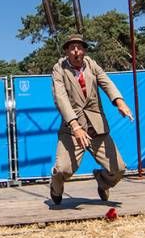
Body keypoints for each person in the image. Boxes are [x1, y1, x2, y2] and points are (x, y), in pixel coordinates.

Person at [49, 33, 134, 205]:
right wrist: (75, 126)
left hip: (97, 128)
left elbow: (107, 83)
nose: (76, 51)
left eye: (79, 47)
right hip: (72, 131)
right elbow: (61, 98)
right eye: (72, 48)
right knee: (62, 170)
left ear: (85, 51)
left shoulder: (92, 65)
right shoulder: (59, 69)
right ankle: (55, 187)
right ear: (66, 51)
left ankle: (103, 183)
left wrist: (120, 102)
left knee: (118, 170)